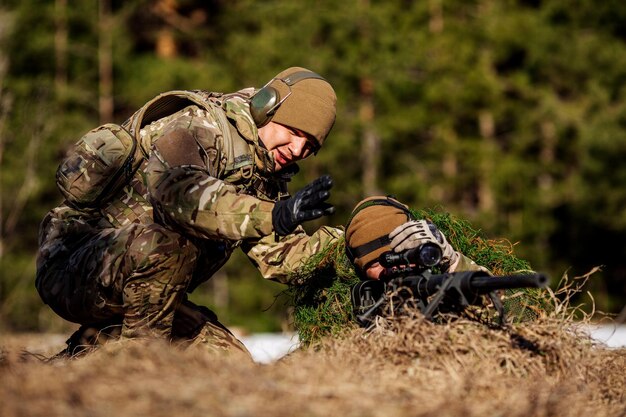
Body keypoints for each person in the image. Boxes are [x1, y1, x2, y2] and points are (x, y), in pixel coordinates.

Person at [36, 66, 343, 357]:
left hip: (150, 295)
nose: (297, 150)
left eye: (310, 146)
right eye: (294, 131)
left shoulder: (264, 175)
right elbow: (179, 197)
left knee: (231, 368)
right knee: (165, 245)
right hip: (74, 267)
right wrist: (273, 215)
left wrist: (359, 245)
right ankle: (137, 363)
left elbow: (284, 256)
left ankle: (82, 357)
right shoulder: (198, 125)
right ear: (268, 107)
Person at [344, 196, 489, 280]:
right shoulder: (347, 305)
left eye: (401, 254)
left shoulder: (438, 283)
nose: (393, 267)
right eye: (377, 262)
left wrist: (451, 264)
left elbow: (507, 309)